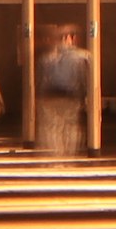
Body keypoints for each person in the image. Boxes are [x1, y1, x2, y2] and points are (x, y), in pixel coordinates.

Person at [34, 25, 87, 157]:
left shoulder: (46, 58)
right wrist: (86, 95)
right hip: (71, 96)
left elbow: (41, 80)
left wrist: (38, 97)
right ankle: (69, 153)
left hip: (50, 96)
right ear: (71, 38)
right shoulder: (83, 56)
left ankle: (56, 153)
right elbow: (84, 78)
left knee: (53, 127)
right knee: (71, 125)